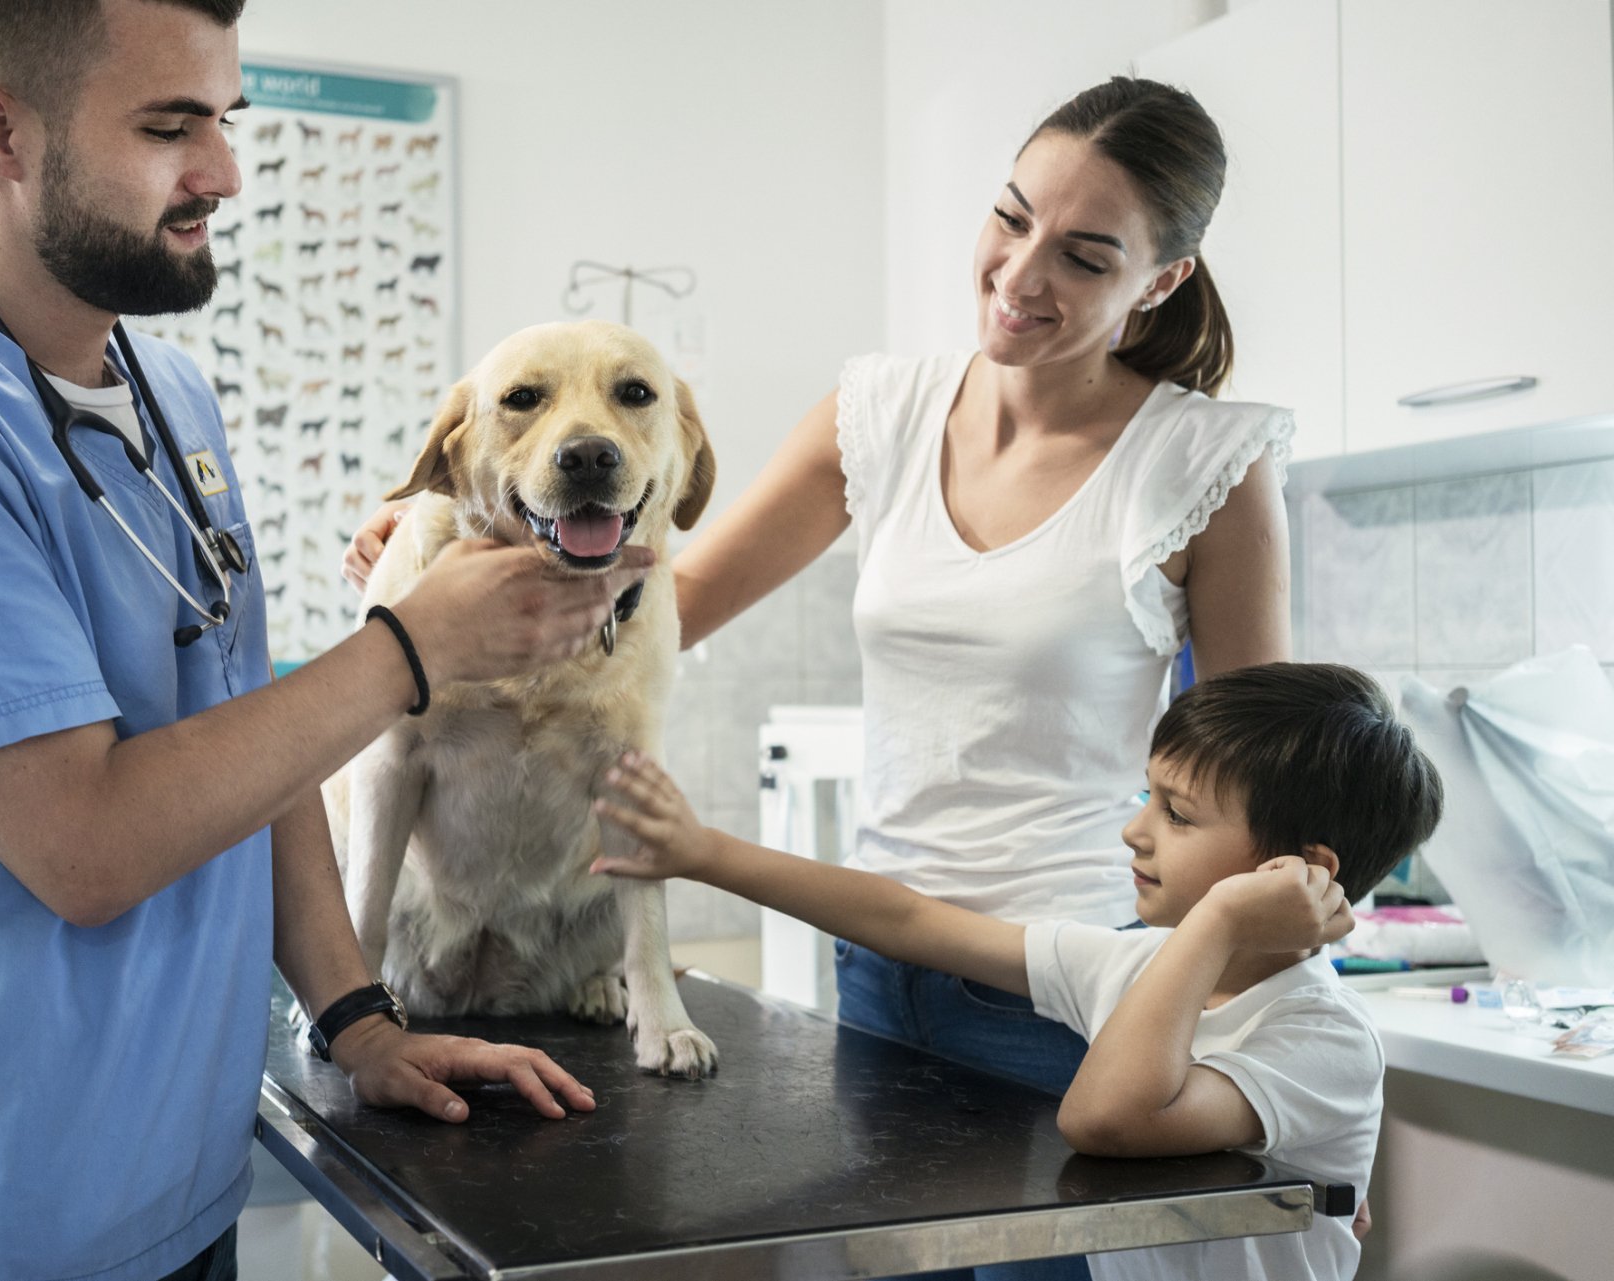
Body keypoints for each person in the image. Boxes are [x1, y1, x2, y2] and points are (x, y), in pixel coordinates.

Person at [0, 2, 650, 1278]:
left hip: (179, 1185)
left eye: (225, 121)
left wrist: (358, 1022)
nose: (222, 173)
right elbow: (88, 846)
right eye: (170, 128)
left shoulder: (172, 402)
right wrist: (410, 646)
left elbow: (249, 751)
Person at [347, 79, 1291, 1278]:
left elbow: (1268, 795)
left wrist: (1276, 1064)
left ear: (1159, 282)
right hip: (877, 971)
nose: (1019, 274)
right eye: (1010, 218)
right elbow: (643, 601)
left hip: (1078, 991)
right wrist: (425, 543)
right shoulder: (883, 412)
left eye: (1085, 256)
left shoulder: (1206, 461)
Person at [589, 661, 1444, 1281]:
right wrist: (703, 853)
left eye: (1177, 814)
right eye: (1147, 797)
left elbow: (1106, 1115)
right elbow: (909, 918)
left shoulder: (1321, 1039)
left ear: (1300, 867)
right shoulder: (1133, 960)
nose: (1135, 831)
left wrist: (1218, 917)